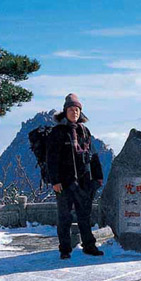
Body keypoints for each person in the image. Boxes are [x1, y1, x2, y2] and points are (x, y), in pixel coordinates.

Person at [47, 93, 104, 259]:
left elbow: (93, 155)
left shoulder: (84, 131)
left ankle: (89, 246)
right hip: (64, 183)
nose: (75, 112)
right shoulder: (57, 132)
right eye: (71, 109)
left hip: (83, 182)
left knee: (84, 216)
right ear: (65, 111)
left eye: (77, 109)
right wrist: (55, 181)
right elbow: (51, 158)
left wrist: (98, 176)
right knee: (64, 216)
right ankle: (65, 249)